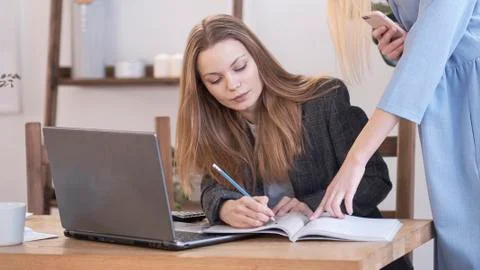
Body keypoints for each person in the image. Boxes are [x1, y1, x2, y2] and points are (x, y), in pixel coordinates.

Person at [175, 14, 412, 270]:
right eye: (215, 80)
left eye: (240, 67)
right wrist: (225, 208)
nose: (232, 85)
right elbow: (213, 189)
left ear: (258, 59)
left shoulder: (324, 99)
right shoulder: (217, 126)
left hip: (349, 259)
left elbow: (375, 180)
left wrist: (309, 205)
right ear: (203, 88)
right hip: (272, 261)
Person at [315, 1, 480, 269]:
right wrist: (407, 43)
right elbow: (435, 42)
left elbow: (426, 55)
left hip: (467, 96)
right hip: (447, 101)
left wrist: (356, 159)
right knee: (461, 241)